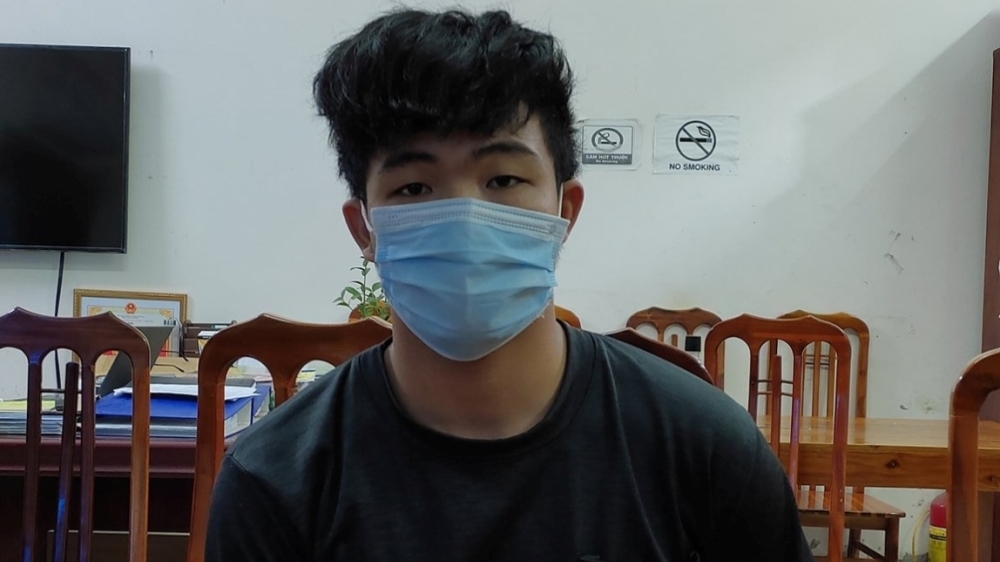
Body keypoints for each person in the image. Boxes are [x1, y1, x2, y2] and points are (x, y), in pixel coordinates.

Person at [206, 8, 813, 562]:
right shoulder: (275, 482)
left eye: (503, 179)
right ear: (364, 229)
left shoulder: (706, 450)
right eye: (413, 188)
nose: (465, 217)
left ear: (565, 212)